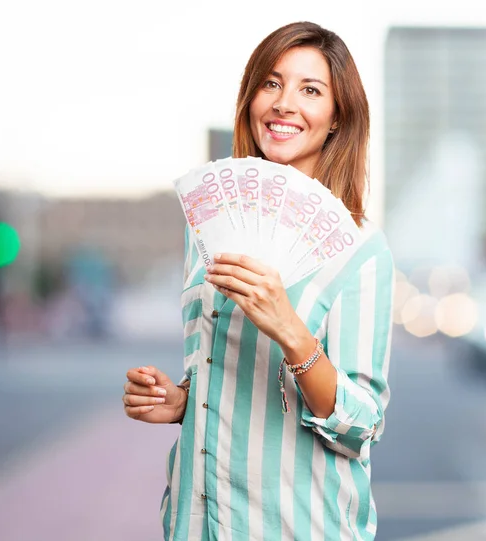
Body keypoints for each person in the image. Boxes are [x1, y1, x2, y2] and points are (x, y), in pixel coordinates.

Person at [123, 21, 395, 541]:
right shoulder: (207, 225)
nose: (284, 103)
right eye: (271, 83)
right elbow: (217, 373)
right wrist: (182, 400)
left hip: (296, 525)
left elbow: (364, 425)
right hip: (195, 520)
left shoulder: (360, 249)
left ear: (337, 119)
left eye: (310, 90)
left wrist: (290, 331)